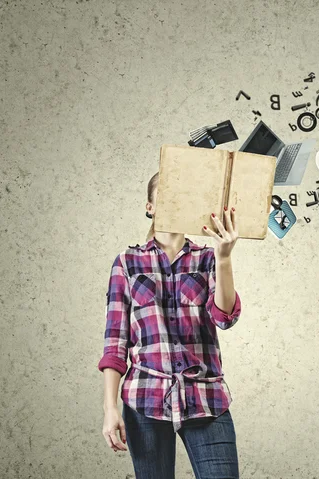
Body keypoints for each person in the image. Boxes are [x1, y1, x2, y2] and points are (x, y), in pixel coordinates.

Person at [98, 171, 242, 478]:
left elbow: (224, 317)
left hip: (205, 398)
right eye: (165, 194)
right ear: (150, 206)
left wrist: (225, 259)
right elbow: (115, 344)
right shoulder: (127, 263)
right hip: (144, 399)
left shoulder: (207, 259)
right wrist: (110, 409)